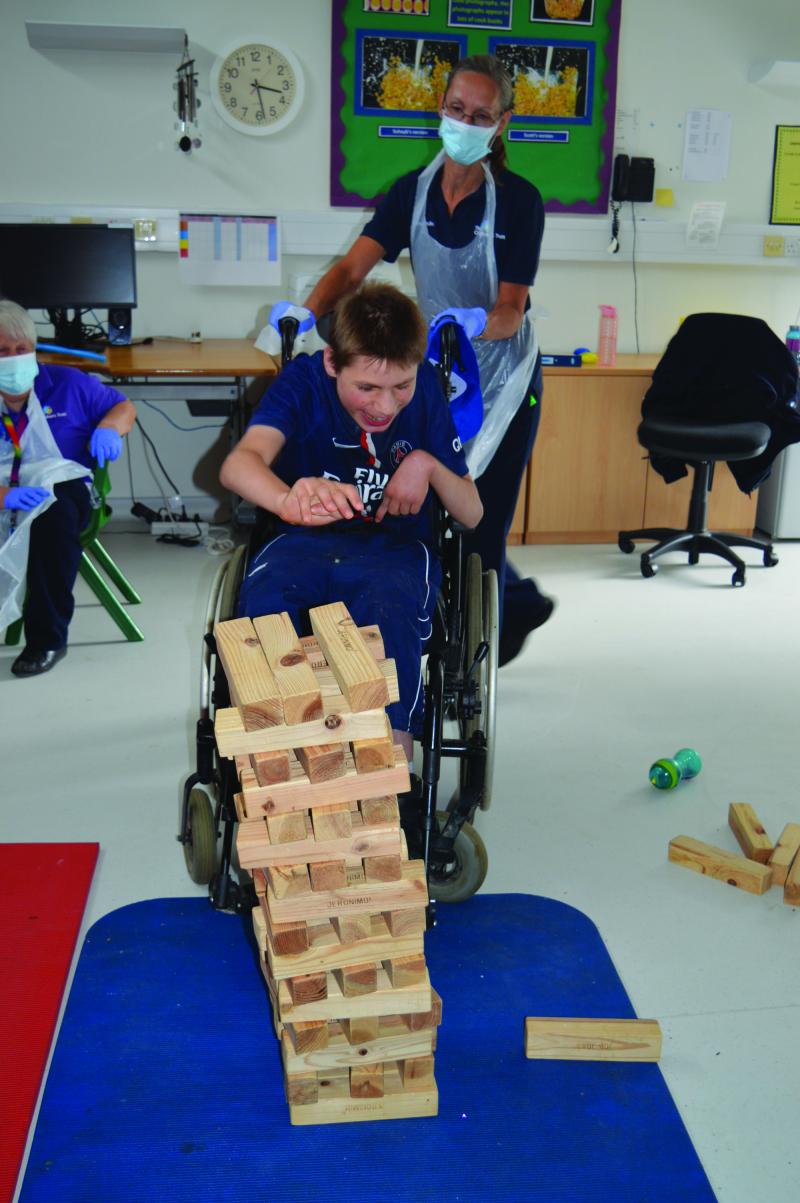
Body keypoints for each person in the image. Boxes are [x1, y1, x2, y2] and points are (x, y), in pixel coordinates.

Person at [266, 54, 552, 666]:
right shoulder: (411, 193)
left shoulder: (519, 202)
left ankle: (471, 655)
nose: (465, 122)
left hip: (503, 378)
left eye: (481, 115)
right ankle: (504, 603)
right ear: (439, 108)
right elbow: (352, 269)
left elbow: (511, 308)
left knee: (479, 520)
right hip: (433, 372)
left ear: (503, 122)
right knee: (424, 507)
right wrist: (305, 313)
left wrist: (476, 323)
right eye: (456, 109)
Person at [220, 283, 483, 760]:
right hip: (299, 541)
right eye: (367, 388)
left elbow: (471, 511)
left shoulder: (426, 386)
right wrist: (287, 499)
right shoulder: (304, 381)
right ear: (332, 363)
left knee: (388, 615)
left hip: (395, 550)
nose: (385, 406)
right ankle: (277, 762)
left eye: (400, 387)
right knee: (266, 617)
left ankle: (388, 771)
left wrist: (427, 465)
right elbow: (239, 464)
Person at [0, 300, 136, 677]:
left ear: (34, 349)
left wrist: (109, 428)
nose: (13, 359)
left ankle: (46, 640)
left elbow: (123, 407)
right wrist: (5, 496)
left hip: (64, 487)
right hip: (5, 490)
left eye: (21, 349)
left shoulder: (67, 383)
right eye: (2, 351)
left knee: (52, 518)